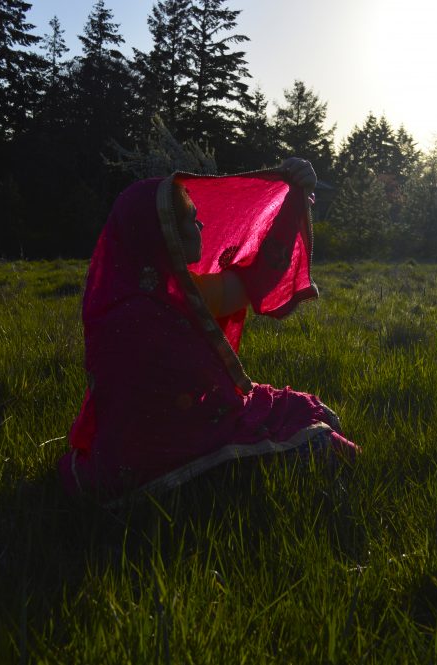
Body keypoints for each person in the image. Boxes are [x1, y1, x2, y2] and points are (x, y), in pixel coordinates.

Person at [59, 158, 358, 498]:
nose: (201, 224)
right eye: (190, 218)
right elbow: (160, 416)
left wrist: (292, 203)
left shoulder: (187, 290)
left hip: (203, 431)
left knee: (315, 413)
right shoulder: (131, 316)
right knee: (330, 449)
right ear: (161, 231)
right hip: (175, 459)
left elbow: (248, 284)